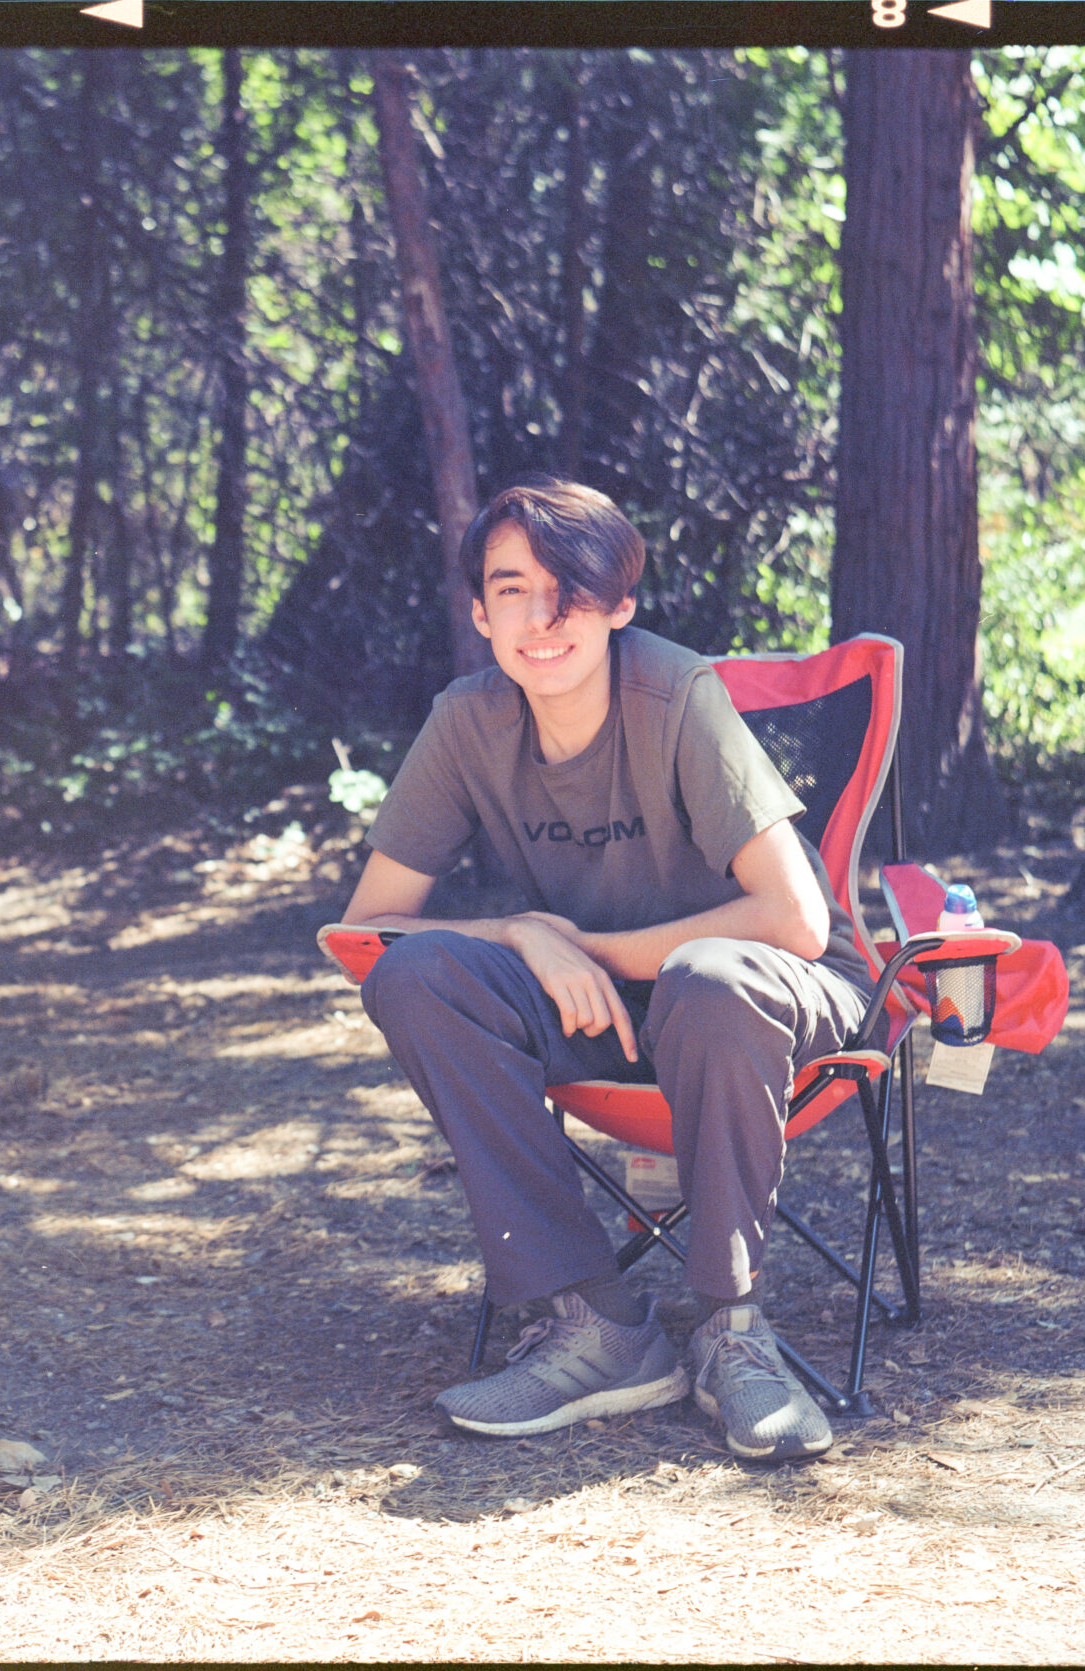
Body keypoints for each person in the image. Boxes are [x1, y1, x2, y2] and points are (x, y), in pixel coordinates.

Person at [340, 477, 874, 1462]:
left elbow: (794, 920)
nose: (541, 618)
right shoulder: (467, 721)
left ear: (620, 603)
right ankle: (597, 1324)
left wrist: (580, 947)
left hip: (765, 990)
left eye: (569, 590)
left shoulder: (673, 692)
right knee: (416, 977)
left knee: (709, 977)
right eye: (511, 588)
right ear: (477, 610)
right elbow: (365, 928)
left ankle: (729, 1331)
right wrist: (516, 930)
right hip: (602, 1004)